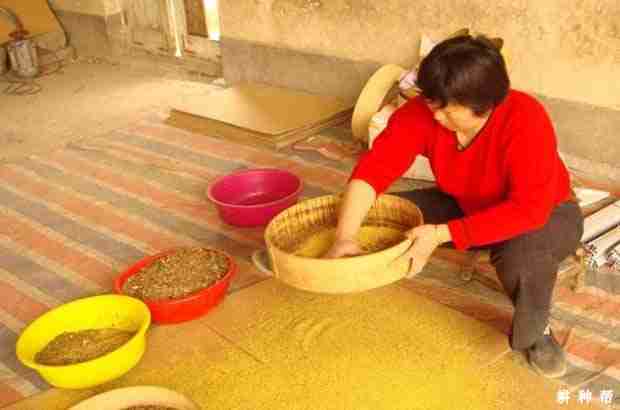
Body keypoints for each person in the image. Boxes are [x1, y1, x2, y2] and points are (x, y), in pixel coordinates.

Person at [325, 35, 584, 379]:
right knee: (376, 209)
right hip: (468, 203)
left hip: (545, 214)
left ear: (487, 102)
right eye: (433, 103)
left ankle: (536, 333)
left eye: (448, 108)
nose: (436, 114)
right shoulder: (426, 111)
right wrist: (346, 235)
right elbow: (373, 171)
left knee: (522, 258)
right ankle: (325, 256)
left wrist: (442, 234)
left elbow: (529, 209)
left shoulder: (525, 118)